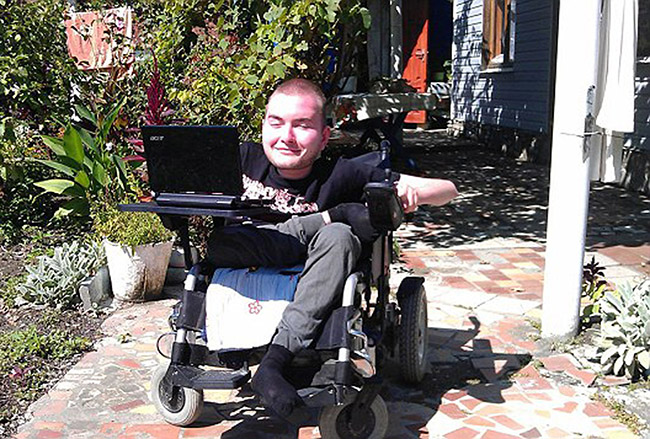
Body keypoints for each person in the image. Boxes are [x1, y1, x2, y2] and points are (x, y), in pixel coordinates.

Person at [207, 78, 458, 418]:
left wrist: (412, 194)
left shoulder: (340, 175)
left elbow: (448, 189)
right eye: (276, 122)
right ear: (263, 125)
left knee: (339, 236)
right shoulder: (241, 160)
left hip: (313, 276)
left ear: (324, 136)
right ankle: (303, 233)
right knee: (224, 242)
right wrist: (329, 217)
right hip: (242, 257)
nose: (286, 136)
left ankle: (274, 363)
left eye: (302, 125)